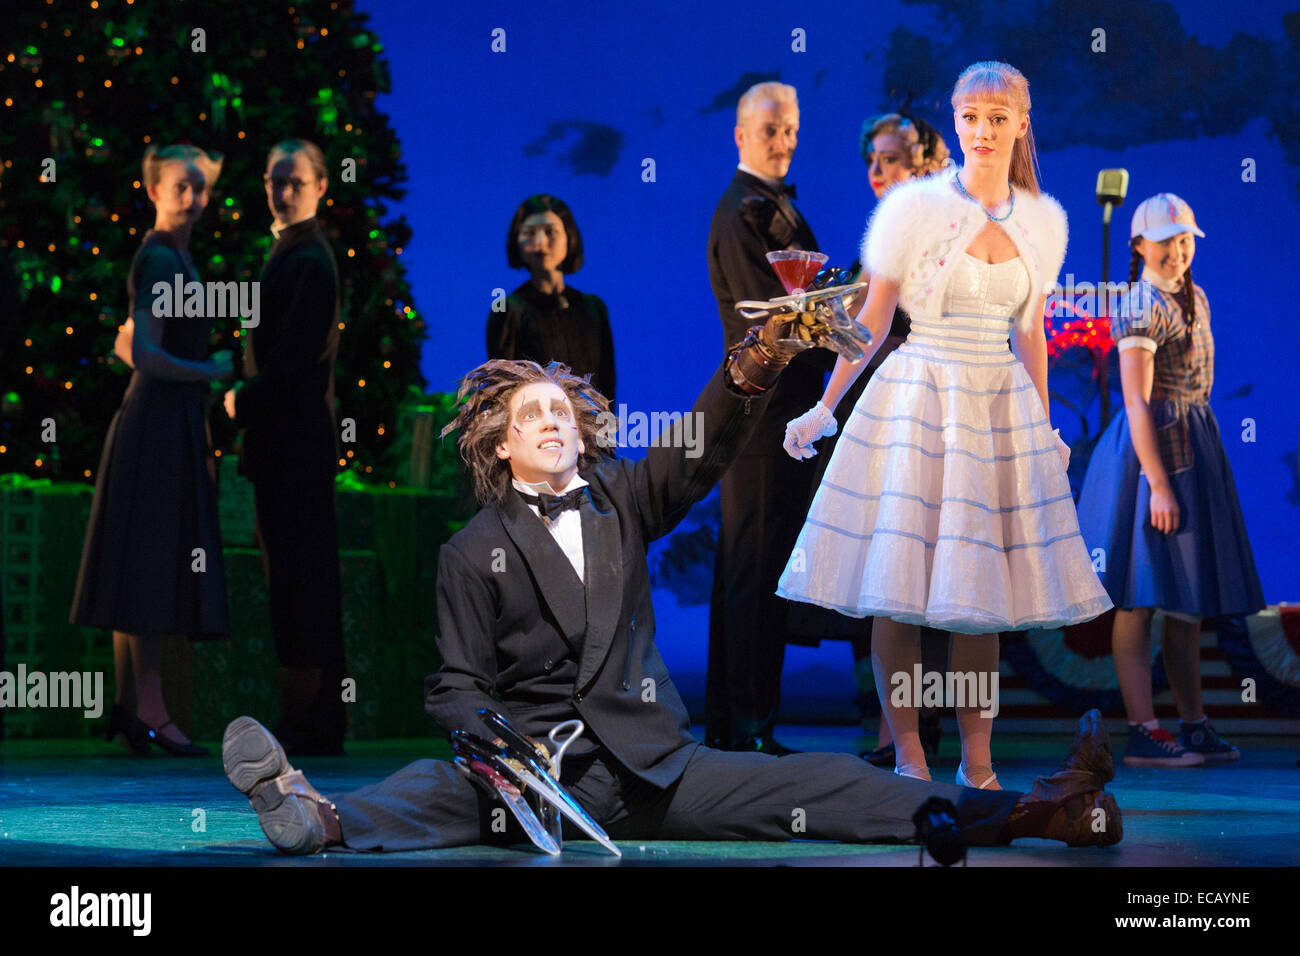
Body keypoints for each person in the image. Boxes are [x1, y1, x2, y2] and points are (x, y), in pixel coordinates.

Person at [221, 307, 1121, 855]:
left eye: (562, 414)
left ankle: (1040, 814)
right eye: (530, 415)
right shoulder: (470, 550)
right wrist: (498, 744)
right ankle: (313, 814)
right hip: (535, 779)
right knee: (431, 787)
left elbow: (702, 448)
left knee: (823, 787)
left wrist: (756, 362)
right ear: (500, 445)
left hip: (656, 768)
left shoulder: (622, 499)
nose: (550, 423)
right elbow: (453, 685)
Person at [779, 62, 1113, 787]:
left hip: (994, 407)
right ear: (955, 122)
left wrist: (1046, 427)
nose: (983, 130)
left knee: (976, 597)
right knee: (898, 585)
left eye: (998, 117)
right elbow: (870, 322)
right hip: (919, 393)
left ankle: (980, 762)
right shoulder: (915, 209)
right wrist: (824, 405)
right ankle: (907, 755)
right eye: (970, 116)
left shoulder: (1042, 220)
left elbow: (1031, 335)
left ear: (1021, 122)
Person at [785, 112, 952, 767]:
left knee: (925, 578)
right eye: (871, 160)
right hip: (886, 412)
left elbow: (880, 327)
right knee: (891, 574)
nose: (878, 171)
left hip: (928, 410)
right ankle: (901, 735)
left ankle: (915, 738)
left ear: (930, 157)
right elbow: (861, 327)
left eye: (892, 156)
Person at [1075, 193, 1265, 767]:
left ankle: (1194, 722)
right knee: (1138, 595)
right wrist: (1157, 484)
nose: (1178, 251)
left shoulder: (1195, 297)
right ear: (1140, 247)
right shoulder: (1140, 306)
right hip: (1148, 452)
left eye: (1185, 240)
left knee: (1184, 597)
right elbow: (1136, 400)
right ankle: (1142, 729)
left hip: (1194, 444)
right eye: (1166, 241)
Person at [70, 144, 232, 756]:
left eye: (200, 187)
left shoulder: (171, 256)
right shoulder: (164, 258)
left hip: (161, 421)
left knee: (144, 557)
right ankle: (149, 706)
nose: (193, 198)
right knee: (152, 563)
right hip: (157, 426)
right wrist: (208, 369)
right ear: (155, 190)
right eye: (181, 186)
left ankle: (132, 705)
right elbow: (144, 353)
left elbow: (127, 342)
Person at [704, 80, 829, 754]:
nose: (784, 142)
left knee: (757, 569)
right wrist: (841, 321)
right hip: (761, 419)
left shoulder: (770, 206)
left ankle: (738, 726)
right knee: (754, 570)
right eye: (772, 129)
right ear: (741, 135)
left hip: (775, 417)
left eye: (792, 129)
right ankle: (745, 729)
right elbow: (773, 321)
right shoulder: (743, 212)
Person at [223, 139, 346, 756]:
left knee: (300, 582)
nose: (283, 190)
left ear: (321, 186)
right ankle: (310, 718)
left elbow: (295, 360)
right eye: (276, 180)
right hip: (288, 443)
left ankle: (311, 721)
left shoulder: (309, 259)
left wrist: (242, 399)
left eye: (295, 181)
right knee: (297, 581)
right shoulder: (290, 253)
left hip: (294, 444)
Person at [487, 194, 615, 403]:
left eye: (550, 232)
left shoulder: (593, 308)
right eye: (529, 233)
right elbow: (502, 391)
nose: (540, 243)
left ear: (569, 236)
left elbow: (607, 384)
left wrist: (606, 431)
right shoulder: (508, 309)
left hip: (590, 429)